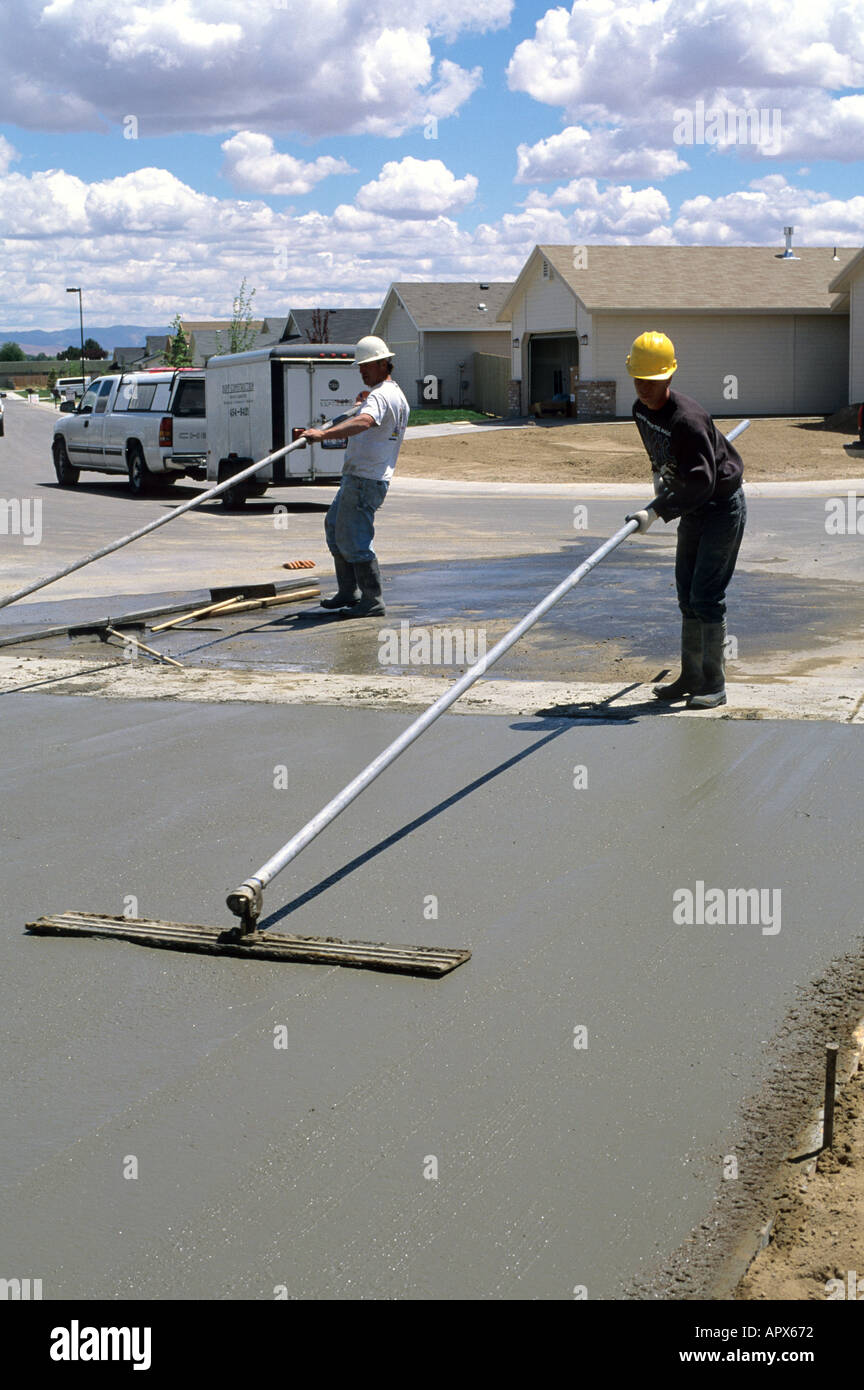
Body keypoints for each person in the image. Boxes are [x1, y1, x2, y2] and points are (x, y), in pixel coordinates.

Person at [625, 331, 746, 709]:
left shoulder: (688, 420)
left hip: (720, 507)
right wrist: (660, 477)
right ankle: (690, 675)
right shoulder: (641, 410)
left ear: (669, 378)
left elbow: (703, 481)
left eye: (653, 380)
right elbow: (660, 454)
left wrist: (657, 510)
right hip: (691, 505)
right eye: (639, 379)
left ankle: (714, 682)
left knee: (706, 596)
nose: (645, 387)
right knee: (685, 595)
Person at [301, 335, 409, 619]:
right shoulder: (390, 394)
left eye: (368, 365)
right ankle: (349, 591)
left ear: (384, 363)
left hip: (366, 479)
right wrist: (363, 404)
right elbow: (366, 415)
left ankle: (372, 600)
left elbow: (365, 421)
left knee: (355, 539)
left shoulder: (381, 396)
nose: (362, 370)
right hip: (361, 477)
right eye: (360, 366)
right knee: (335, 526)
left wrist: (323, 434)